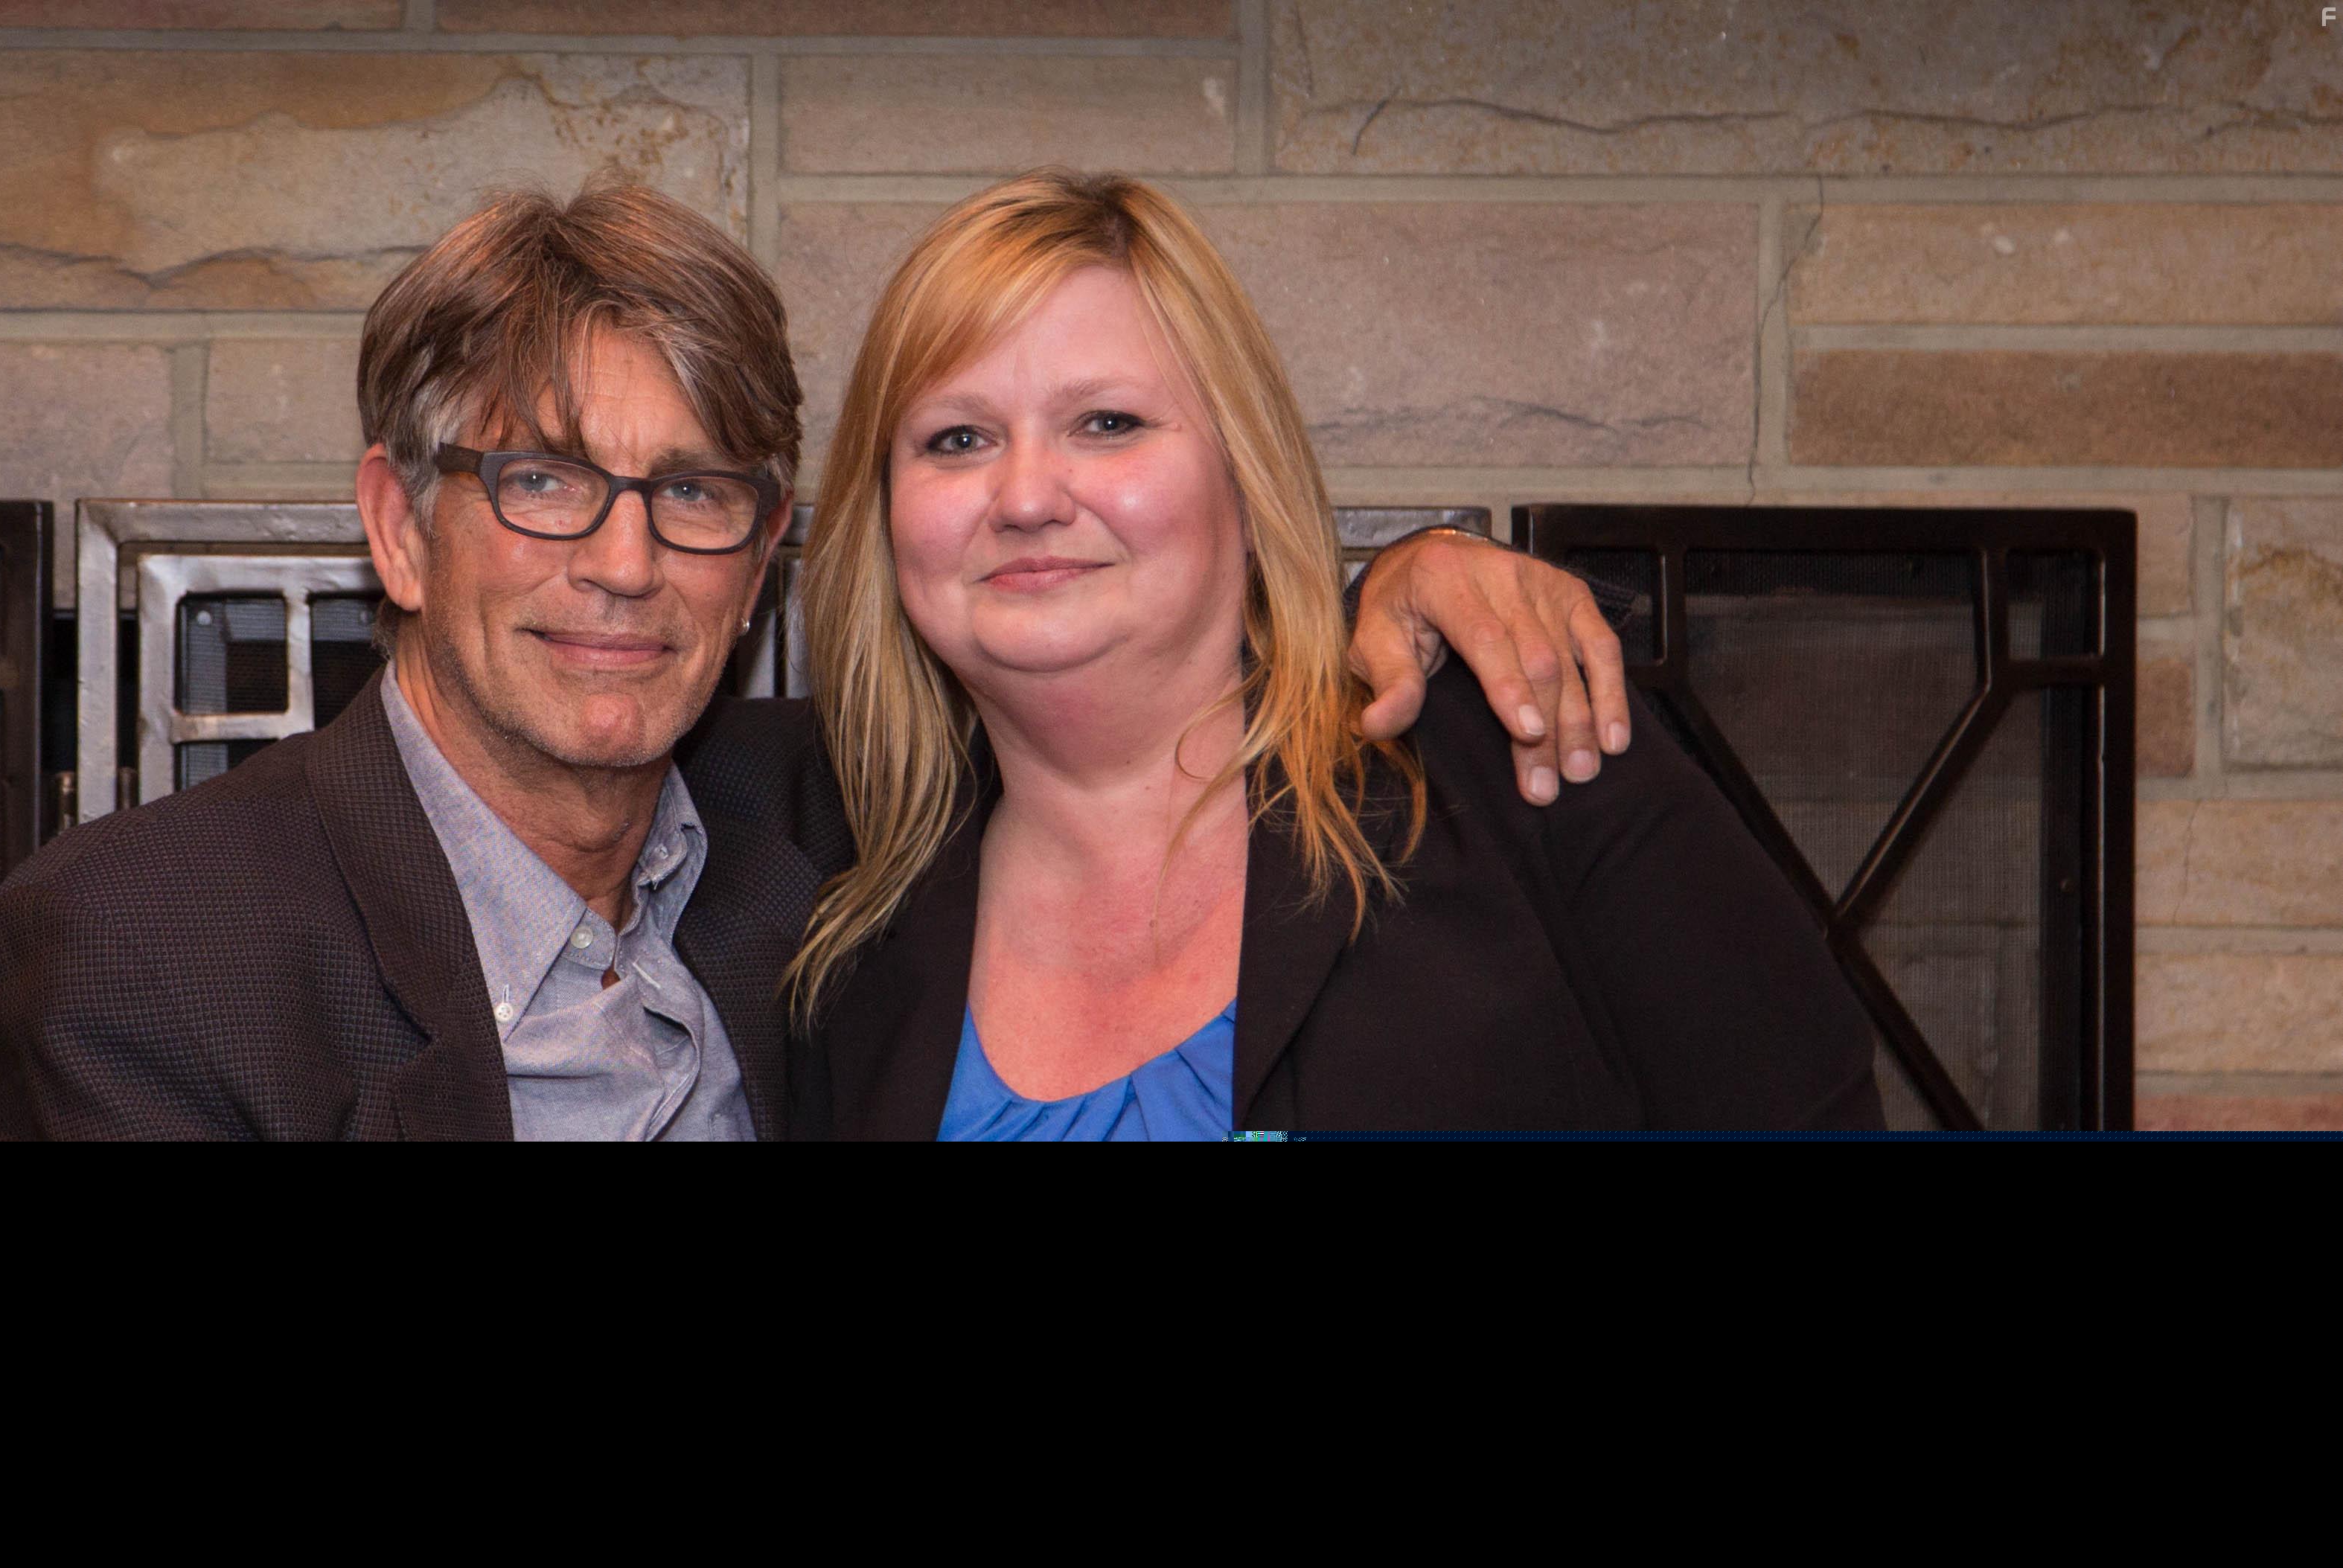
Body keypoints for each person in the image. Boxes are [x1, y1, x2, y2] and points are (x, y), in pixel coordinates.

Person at [0, 180, 1635, 1141]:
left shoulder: (822, 841)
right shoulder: (136, 956)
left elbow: (1121, 690)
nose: (619, 563)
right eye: (538, 480)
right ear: (396, 524)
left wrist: (1400, 583)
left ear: (762, 558)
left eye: (690, 492)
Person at [783, 172, 1881, 1139]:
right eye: (956, 439)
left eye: (1107, 423)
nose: (1024, 496)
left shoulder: (1515, 745)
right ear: (885, 518)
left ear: (1244, 480)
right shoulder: (832, 906)